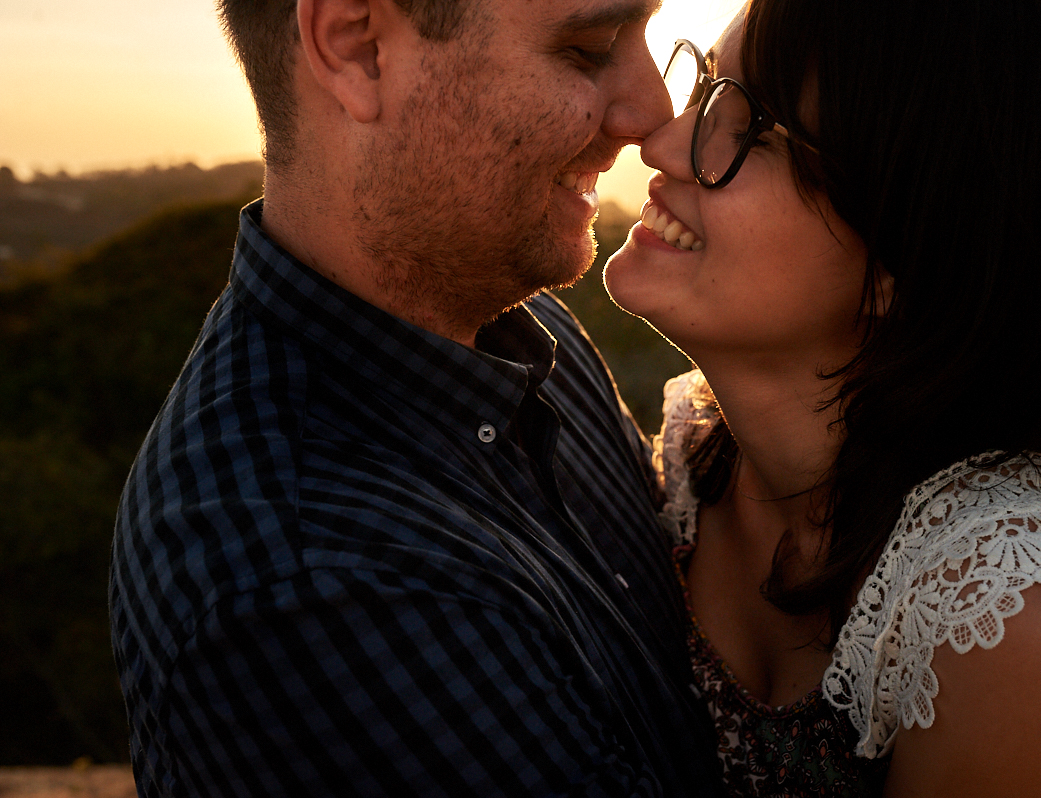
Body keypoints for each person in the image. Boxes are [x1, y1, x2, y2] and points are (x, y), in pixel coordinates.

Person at [108, 0, 725, 795]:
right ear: (358, 48)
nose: (653, 112)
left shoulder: (523, 328)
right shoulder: (314, 586)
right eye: (587, 47)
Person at [604, 0, 1041, 796]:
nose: (662, 142)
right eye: (706, 83)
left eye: (752, 129)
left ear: (914, 252)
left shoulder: (1003, 607)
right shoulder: (692, 453)